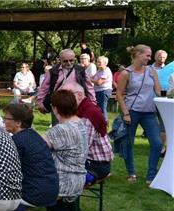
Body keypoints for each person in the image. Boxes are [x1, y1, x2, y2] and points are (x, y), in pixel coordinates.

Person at [2, 103, 59, 211]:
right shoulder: (34, 135)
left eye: (6, 118)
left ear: (18, 123)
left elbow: (5, 170)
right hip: (51, 188)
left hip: (36, 192)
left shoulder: (17, 141)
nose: (4, 121)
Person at [116, 44, 163, 184]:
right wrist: (125, 113)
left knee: (157, 143)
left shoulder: (152, 71)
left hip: (149, 112)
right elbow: (119, 94)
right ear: (137, 55)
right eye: (147, 55)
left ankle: (151, 176)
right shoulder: (126, 73)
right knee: (128, 143)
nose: (149, 58)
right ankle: (131, 173)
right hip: (132, 112)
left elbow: (159, 92)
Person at [43, 89, 89, 211]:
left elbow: (36, 146)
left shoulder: (61, 129)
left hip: (62, 181)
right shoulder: (80, 123)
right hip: (79, 177)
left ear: (55, 108)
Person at [60, 83, 113, 182]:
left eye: (67, 96)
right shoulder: (83, 108)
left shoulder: (87, 115)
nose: (63, 100)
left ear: (79, 95)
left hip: (95, 166)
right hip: (90, 162)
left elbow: (80, 147)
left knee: (54, 175)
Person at [36, 49, 96, 117]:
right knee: (58, 124)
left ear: (74, 59)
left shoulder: (81, 70)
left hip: (77, 105)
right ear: (60, 60)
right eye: (65, 61)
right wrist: (40, 103)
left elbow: (89, 87)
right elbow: (44, 88)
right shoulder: (52, 72)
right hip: (58, 105)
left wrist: (93, 102)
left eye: (71, 60)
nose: (69, 63)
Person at [93, 56, 113, 122]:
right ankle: (100, 122)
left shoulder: (105, 71)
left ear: (105, 63)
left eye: (100, 62)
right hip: (99, 91)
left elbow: (99, 83)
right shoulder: (99, 70)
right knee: (99, 108)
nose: (98, 63)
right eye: (97, 62)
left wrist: (90, 80)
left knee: (102, 108)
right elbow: (92, 77)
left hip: (104, 91)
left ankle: (105, 123)